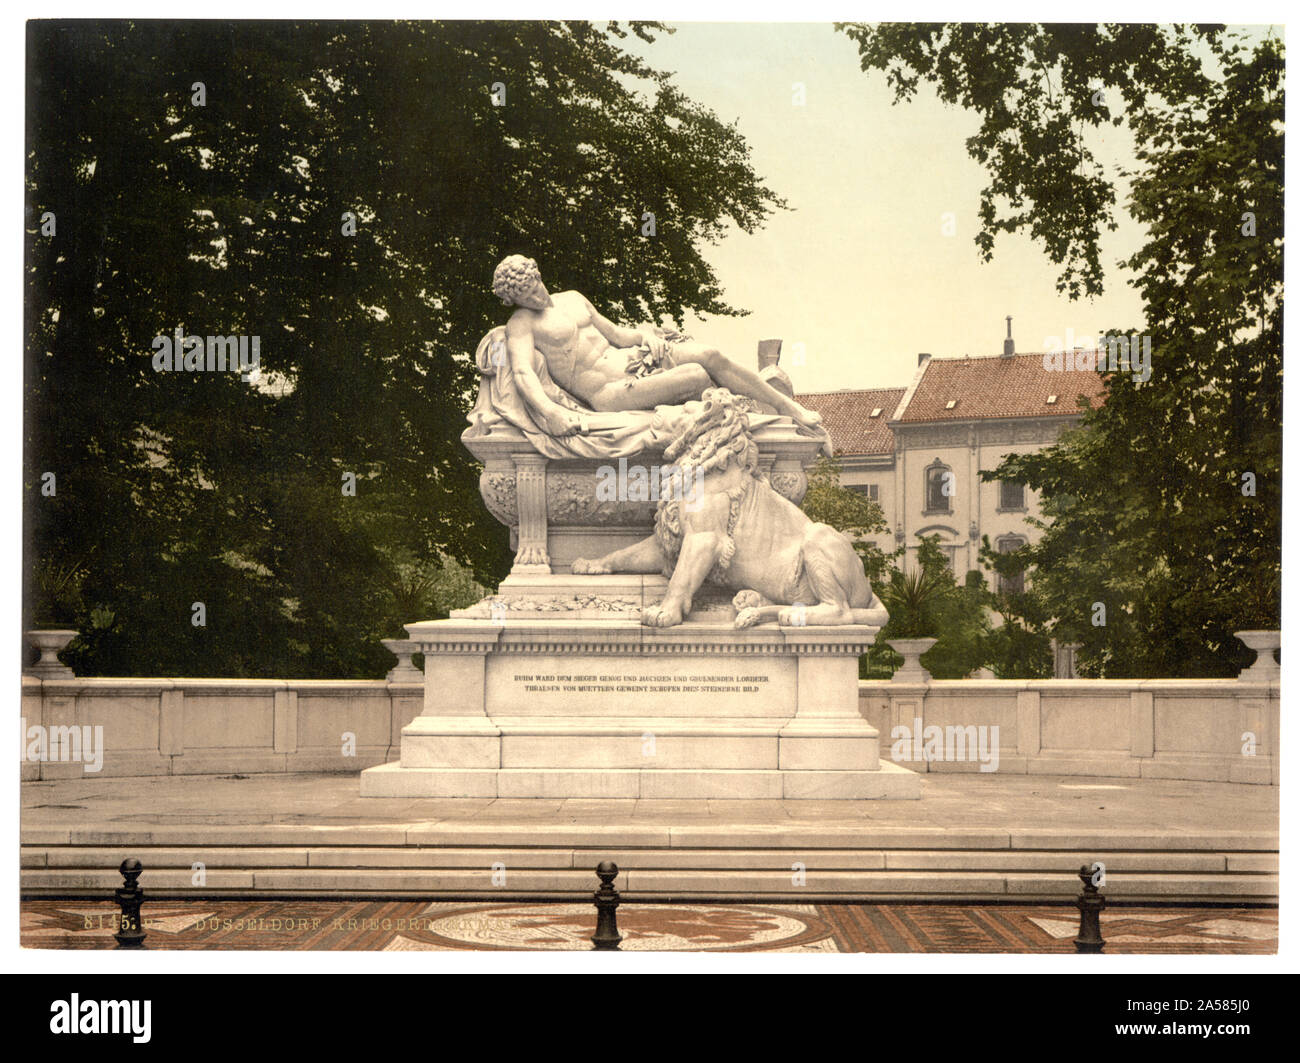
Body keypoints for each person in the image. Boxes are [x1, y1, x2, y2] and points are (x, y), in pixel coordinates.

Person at [492, 254, 824, 438]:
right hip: (609, 391)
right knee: (694, 374)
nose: (535, 298)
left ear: (537, 275)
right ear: (513, 300)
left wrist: (646, 336)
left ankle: (786, 406)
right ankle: (742, 409)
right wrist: (551, 414)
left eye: (534, 287)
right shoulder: (521, 324)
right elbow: (523, 373)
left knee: (709, 355)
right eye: (524, 297)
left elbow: (618, 335)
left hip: (632, 361)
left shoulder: (573, 299)